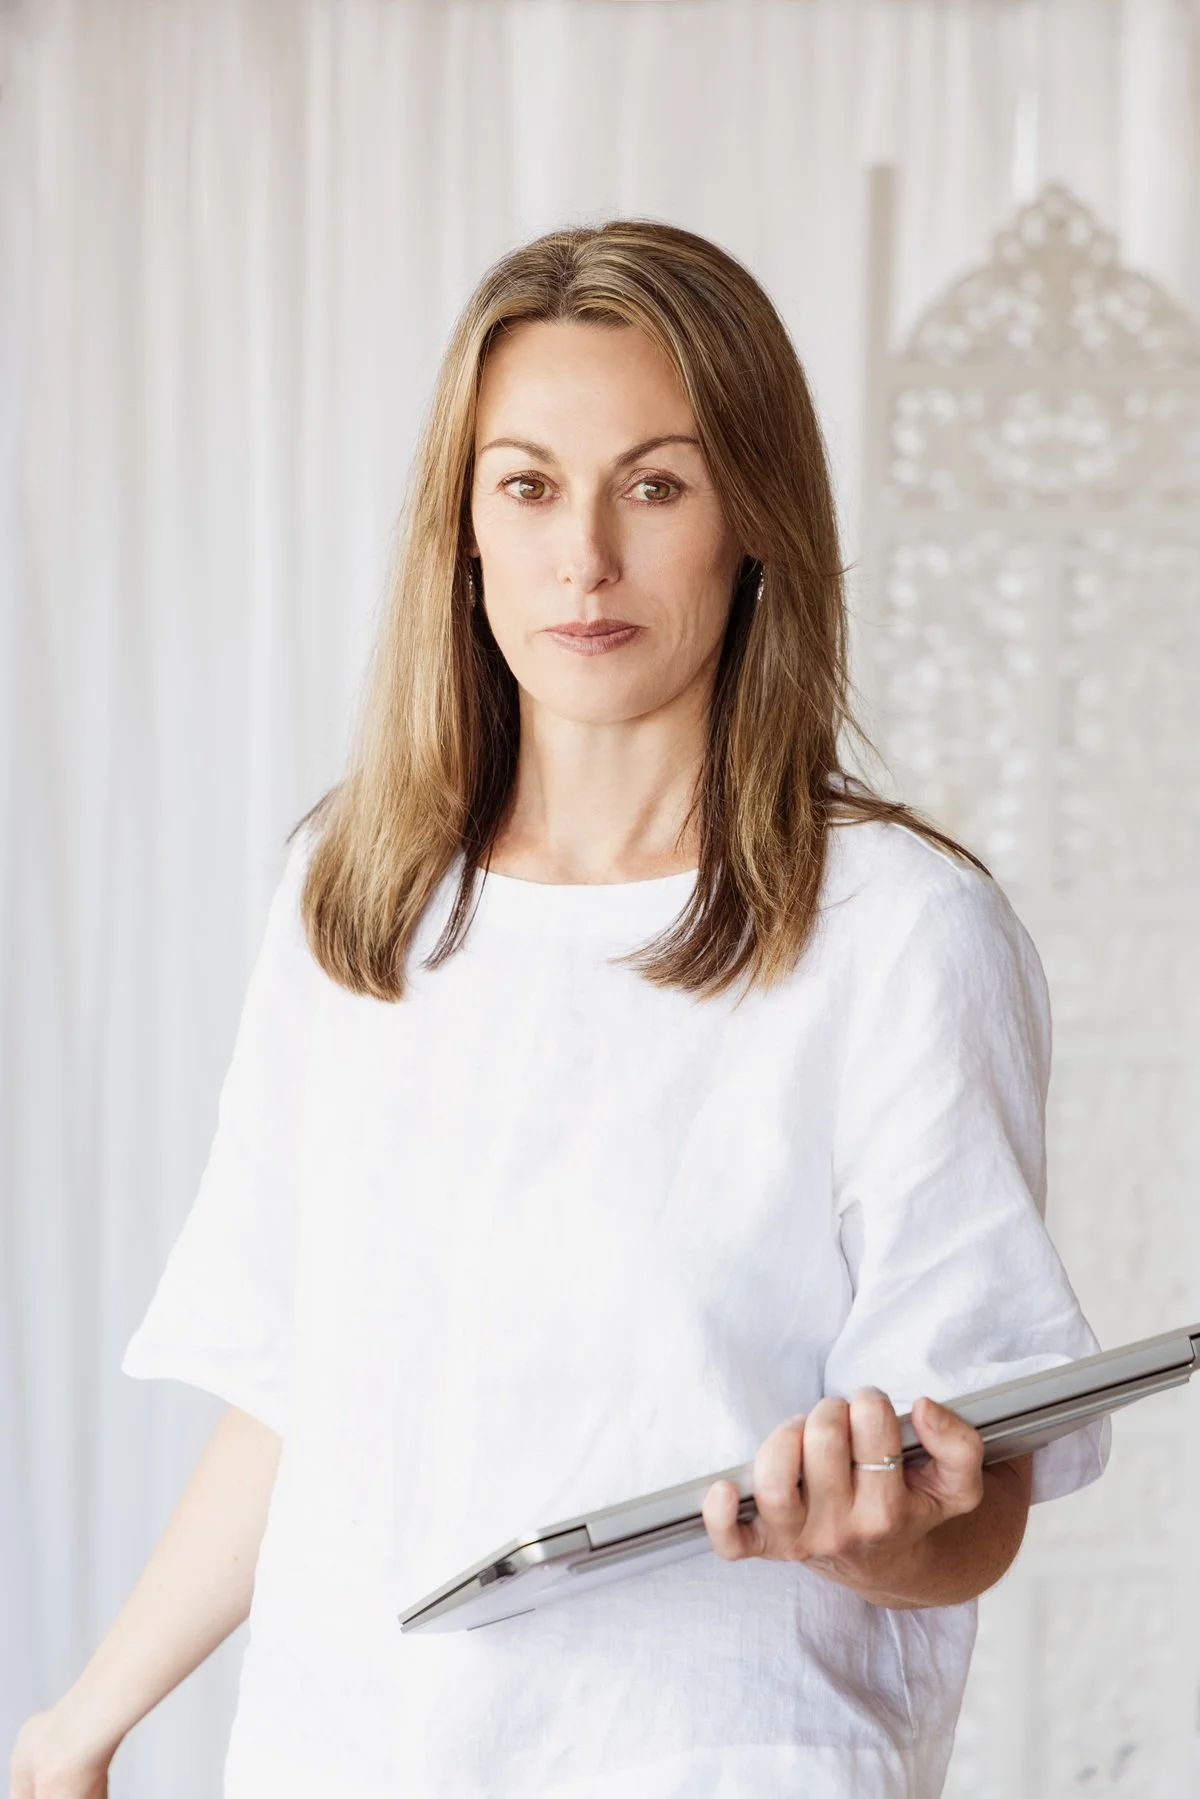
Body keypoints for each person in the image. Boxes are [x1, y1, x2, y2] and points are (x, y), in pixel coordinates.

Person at [10, 219, 1108, 1799]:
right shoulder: (357, 893)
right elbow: (300, 1383)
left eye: (655, 484)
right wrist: (76, 1725)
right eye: (527, 484)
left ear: (754, 521)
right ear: (462, 528)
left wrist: (881, 1536)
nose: (582, 556)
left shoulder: (899, 935)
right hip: (343, 1753)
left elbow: (978, 1491)